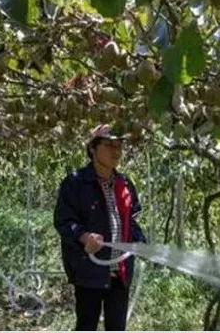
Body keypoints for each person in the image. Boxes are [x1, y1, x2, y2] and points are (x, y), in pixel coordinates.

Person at [54, 124, 147, 331]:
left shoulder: (125, 184)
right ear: (93, 149)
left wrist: (139, 240)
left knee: (116, 327)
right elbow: (64, 221)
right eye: (109, 145)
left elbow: (130, 221)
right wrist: (84, 237)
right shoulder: (75, 183)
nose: (116, 151)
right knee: (86, 325)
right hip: (89, 272)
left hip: (120, 272)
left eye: (119, 146)